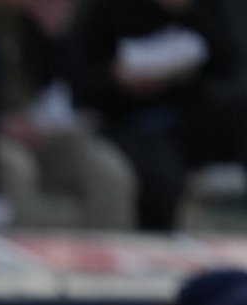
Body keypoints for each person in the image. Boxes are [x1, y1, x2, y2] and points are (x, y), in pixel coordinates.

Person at [0, 0, 138, 228]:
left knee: (108, 169)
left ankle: (102, 258)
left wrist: (58, 38)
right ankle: (19, 259)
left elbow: (78, 91)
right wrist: (0, 125)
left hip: (45, 134)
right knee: (17, 168)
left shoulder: (35, 23)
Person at [72, 0, 247, 230]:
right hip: (136, 122)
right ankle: (156, 250)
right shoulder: (106, 9)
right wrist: (119, 81)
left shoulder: (200, 7)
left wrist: (188, 12)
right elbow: (83, 87)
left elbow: (226, 62)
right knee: (162, 176)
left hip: (193, 115)